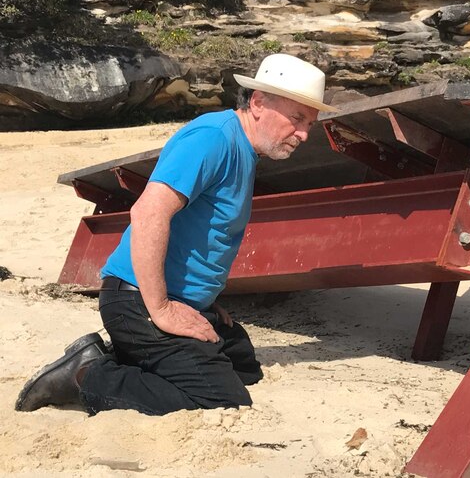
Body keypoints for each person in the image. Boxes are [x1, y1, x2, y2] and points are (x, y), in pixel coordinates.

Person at [16, 54, 338, 415]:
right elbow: (148, 212)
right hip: (137, 300)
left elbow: (203, 233)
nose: (304, 134)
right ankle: (86, 376)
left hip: (176, 298)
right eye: (296, 119)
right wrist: (162, 308)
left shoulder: (245, 148)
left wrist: (204, 298)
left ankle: (128, 353)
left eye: (309, 123)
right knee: (220, 398)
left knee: (242, 365)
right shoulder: (213, 139)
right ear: (259, 102)